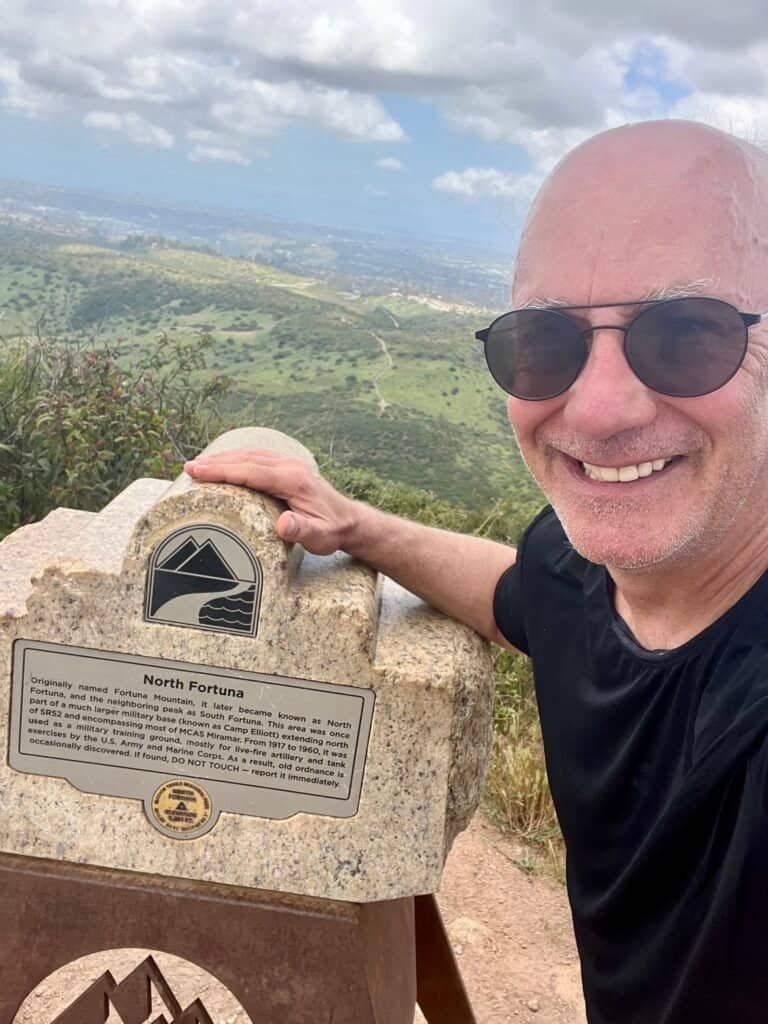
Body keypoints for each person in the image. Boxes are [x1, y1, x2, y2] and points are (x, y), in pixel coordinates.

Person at [185, 119, 768, 1023]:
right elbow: (514, 596)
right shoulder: (588, 575)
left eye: (688, 336)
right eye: (544, 344)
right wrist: (354, 524)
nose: (603, 406)